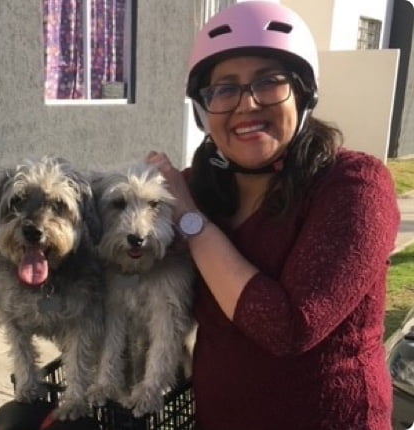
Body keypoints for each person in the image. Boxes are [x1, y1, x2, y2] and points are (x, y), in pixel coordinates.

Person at [147, 1, 400, 429]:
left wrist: (190, 219)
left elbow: (289, 328)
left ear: (303, 94)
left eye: (269, 82)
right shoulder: (198, 184)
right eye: (224, 89)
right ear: (203, 110)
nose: (246, 104)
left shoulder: (354, 185)